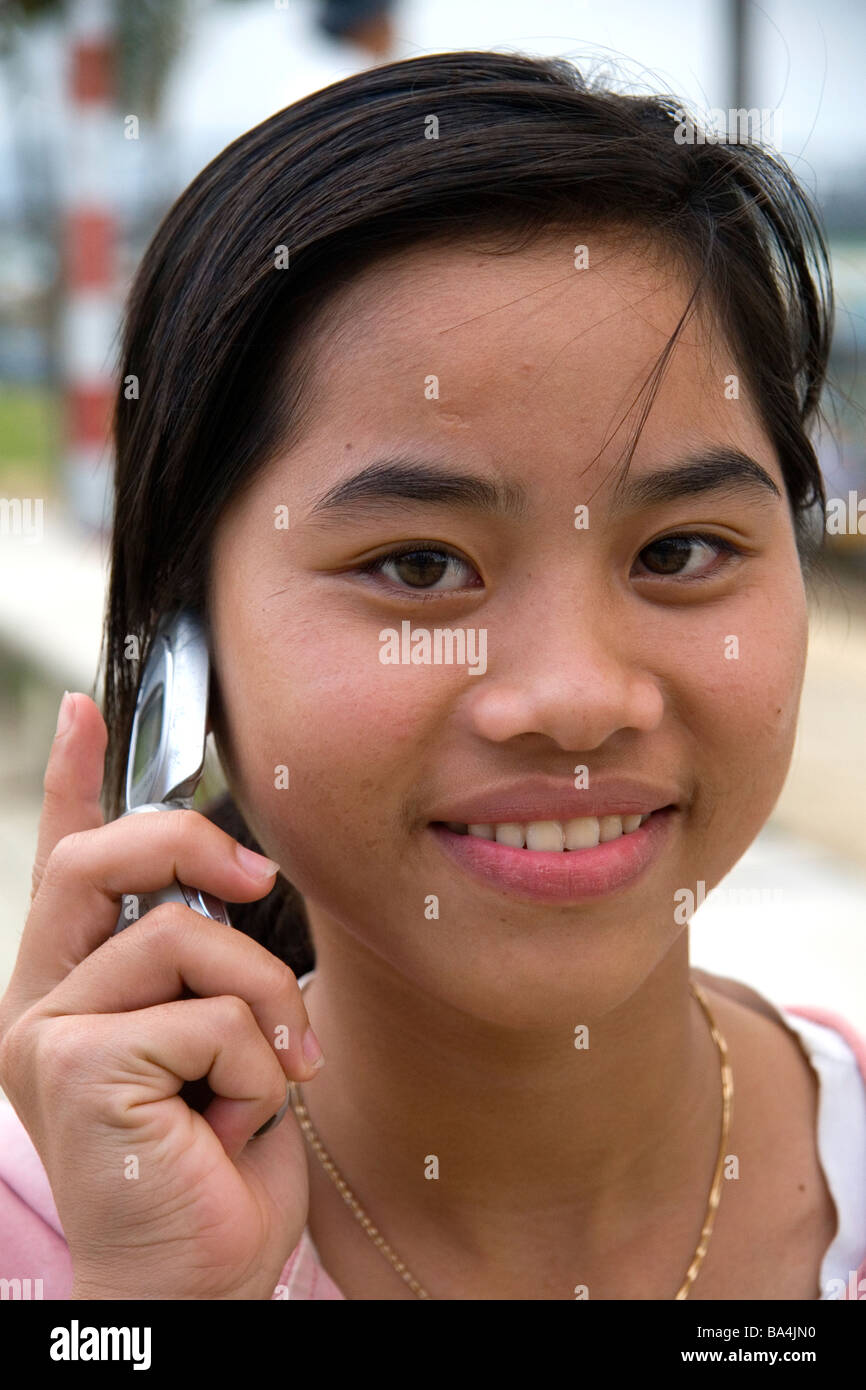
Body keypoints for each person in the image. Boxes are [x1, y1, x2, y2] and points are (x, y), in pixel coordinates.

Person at [0, 50, 864, 1302]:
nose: (574, 696)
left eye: (677, 551)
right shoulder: (64, 1244)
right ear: (186, 655)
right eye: (416, 566)